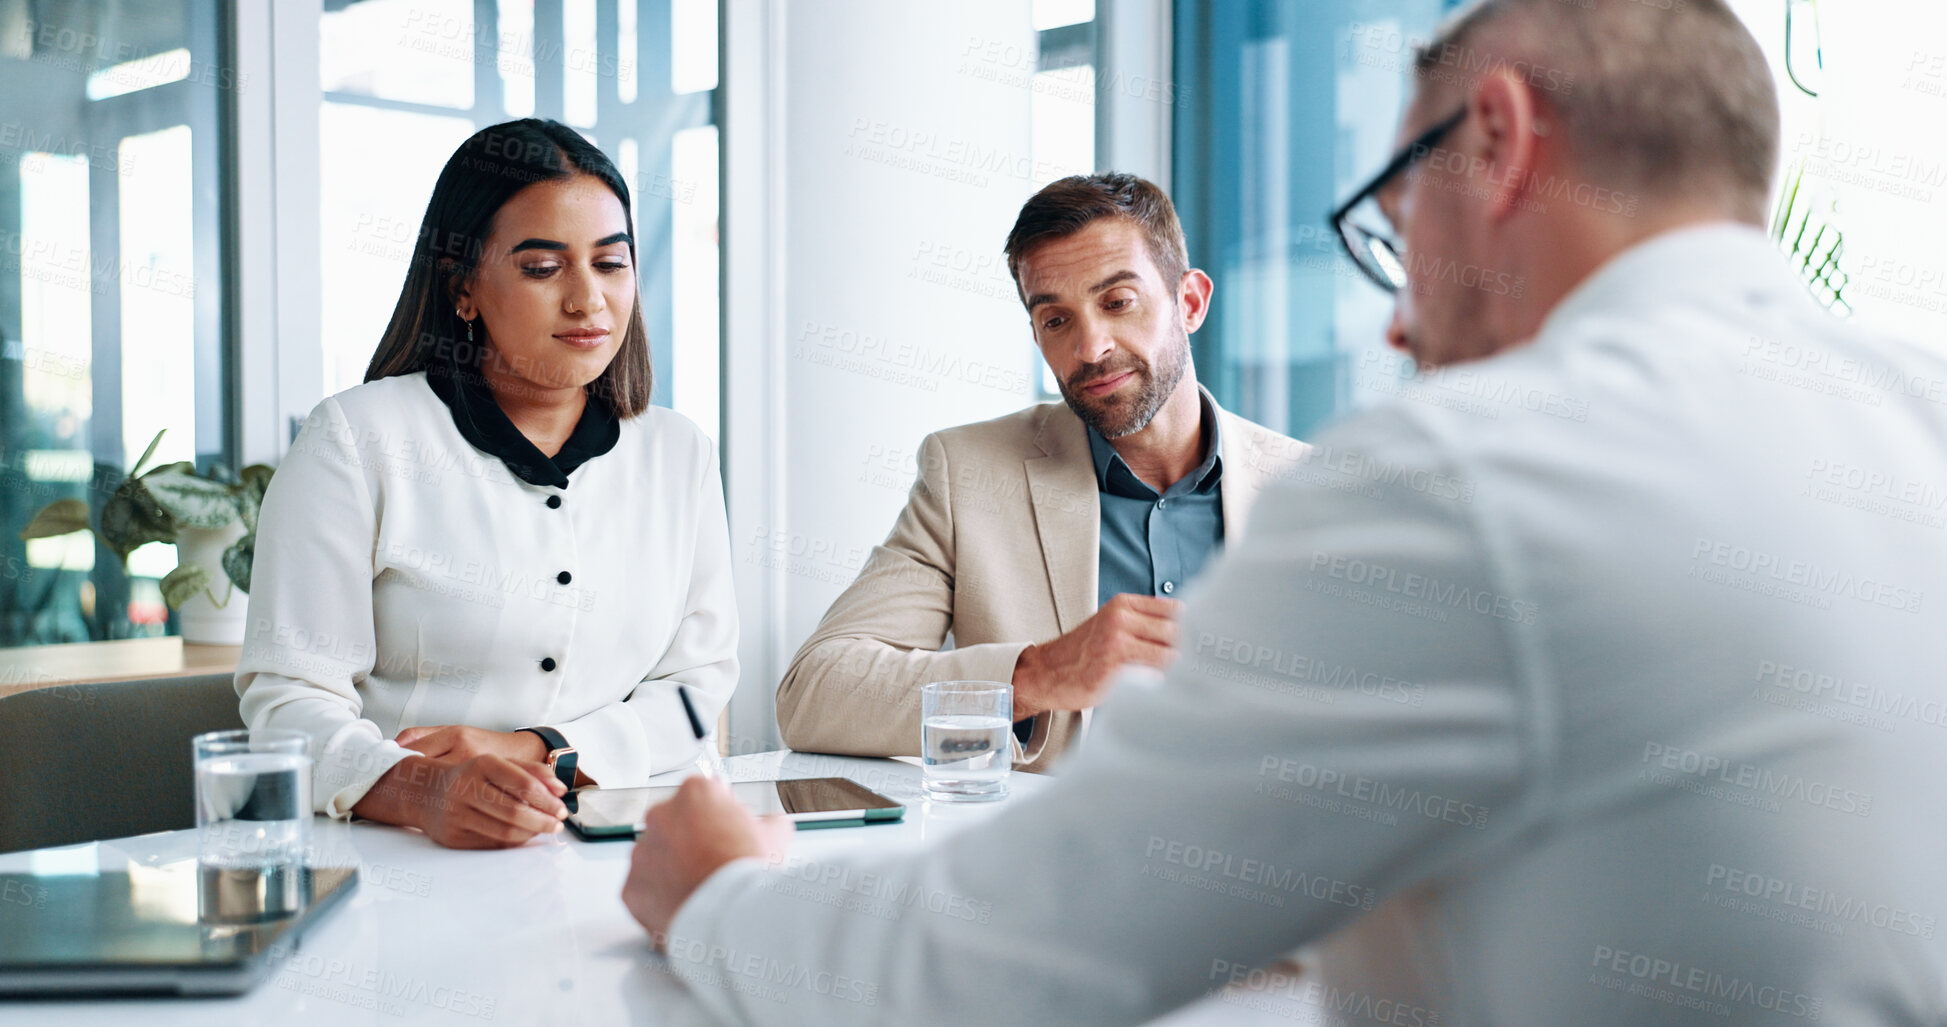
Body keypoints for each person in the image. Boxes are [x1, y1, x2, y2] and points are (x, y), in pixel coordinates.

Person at [622, 0, 1947, 1022]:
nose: (1393, 311)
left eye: (1391, 215)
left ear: (1495, 140)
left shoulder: (1451, 472)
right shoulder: (1918, 411)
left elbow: (977, 968)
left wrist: (719, 892)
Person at [237, 119, 737, 850]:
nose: (588, 300)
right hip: (405, 856)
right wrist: (423, 790)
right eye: (543, 268)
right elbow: (287, 703)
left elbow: (696, 690)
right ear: (462, 285)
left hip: (630, 852)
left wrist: (540, 749)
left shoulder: (678, 452)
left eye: (610, 263)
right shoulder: (356, 439)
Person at [775, 173, 1308, 771]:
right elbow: (813, 692)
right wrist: (1039, 675)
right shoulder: (968, 475)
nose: (1089, 347)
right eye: (1056, 320)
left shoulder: (1314, 491)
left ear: (1190, 302)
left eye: (1117, 303)